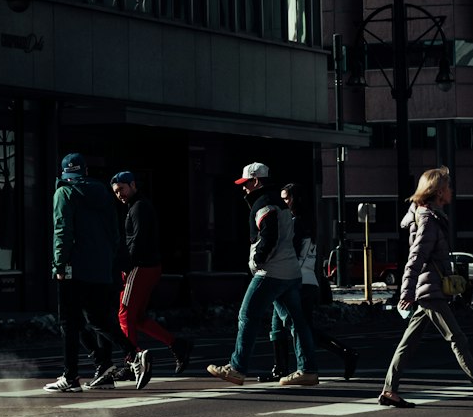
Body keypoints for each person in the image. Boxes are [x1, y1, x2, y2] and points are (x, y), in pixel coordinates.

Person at [378, 166, 473, 408]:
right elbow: (416, 258)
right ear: (439, 192)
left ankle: (390, 390)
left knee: (408, 343)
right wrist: (407, 292)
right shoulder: (428, 220)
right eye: (448, 187)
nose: (451, 191)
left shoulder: (428, 217)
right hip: (430, 291)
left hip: (428, 289)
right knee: (457, 339)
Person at [207, 162, 319, 388]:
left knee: (247, 316)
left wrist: (258, 259)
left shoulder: (263, 203)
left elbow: (269, 235)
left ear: (256, 181)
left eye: (246, 183)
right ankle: (308, 370)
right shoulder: (279, 203)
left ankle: (237, 368)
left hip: (270, 273)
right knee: (297, 323)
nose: (244, 188)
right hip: (290, 273)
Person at [44, 153, 148, 394]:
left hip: (73, 268)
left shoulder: (63, 193)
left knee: (69, 323)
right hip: (101, 268)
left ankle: (70, 377)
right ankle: (128, 356)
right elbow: (114, 232)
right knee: (97, 319)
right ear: (86, 172)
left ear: (65, 175)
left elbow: (62, 230)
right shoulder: (103, 192)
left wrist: (59, 266)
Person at [100, 171, 191, 380]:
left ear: (133, 185)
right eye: (115, 191)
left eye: (122, 189)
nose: (119, 194)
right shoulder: (138, 206)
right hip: (147, 266)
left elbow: (136, 242)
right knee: (137, 318)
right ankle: (177, 345)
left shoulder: (139, 207)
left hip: (140, 267)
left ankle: (133, 362)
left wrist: (124, 266)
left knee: (124, 314)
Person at [270, 183, 358, 381]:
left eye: (286, 198)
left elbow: (288, 251)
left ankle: (343, 354)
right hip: (308, 280)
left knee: (299, 327)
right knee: (282, 325)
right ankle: (280, 368)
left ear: (294, 200)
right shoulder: (309, 222)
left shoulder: (295, 223)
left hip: (294, 280)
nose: (283, 202)